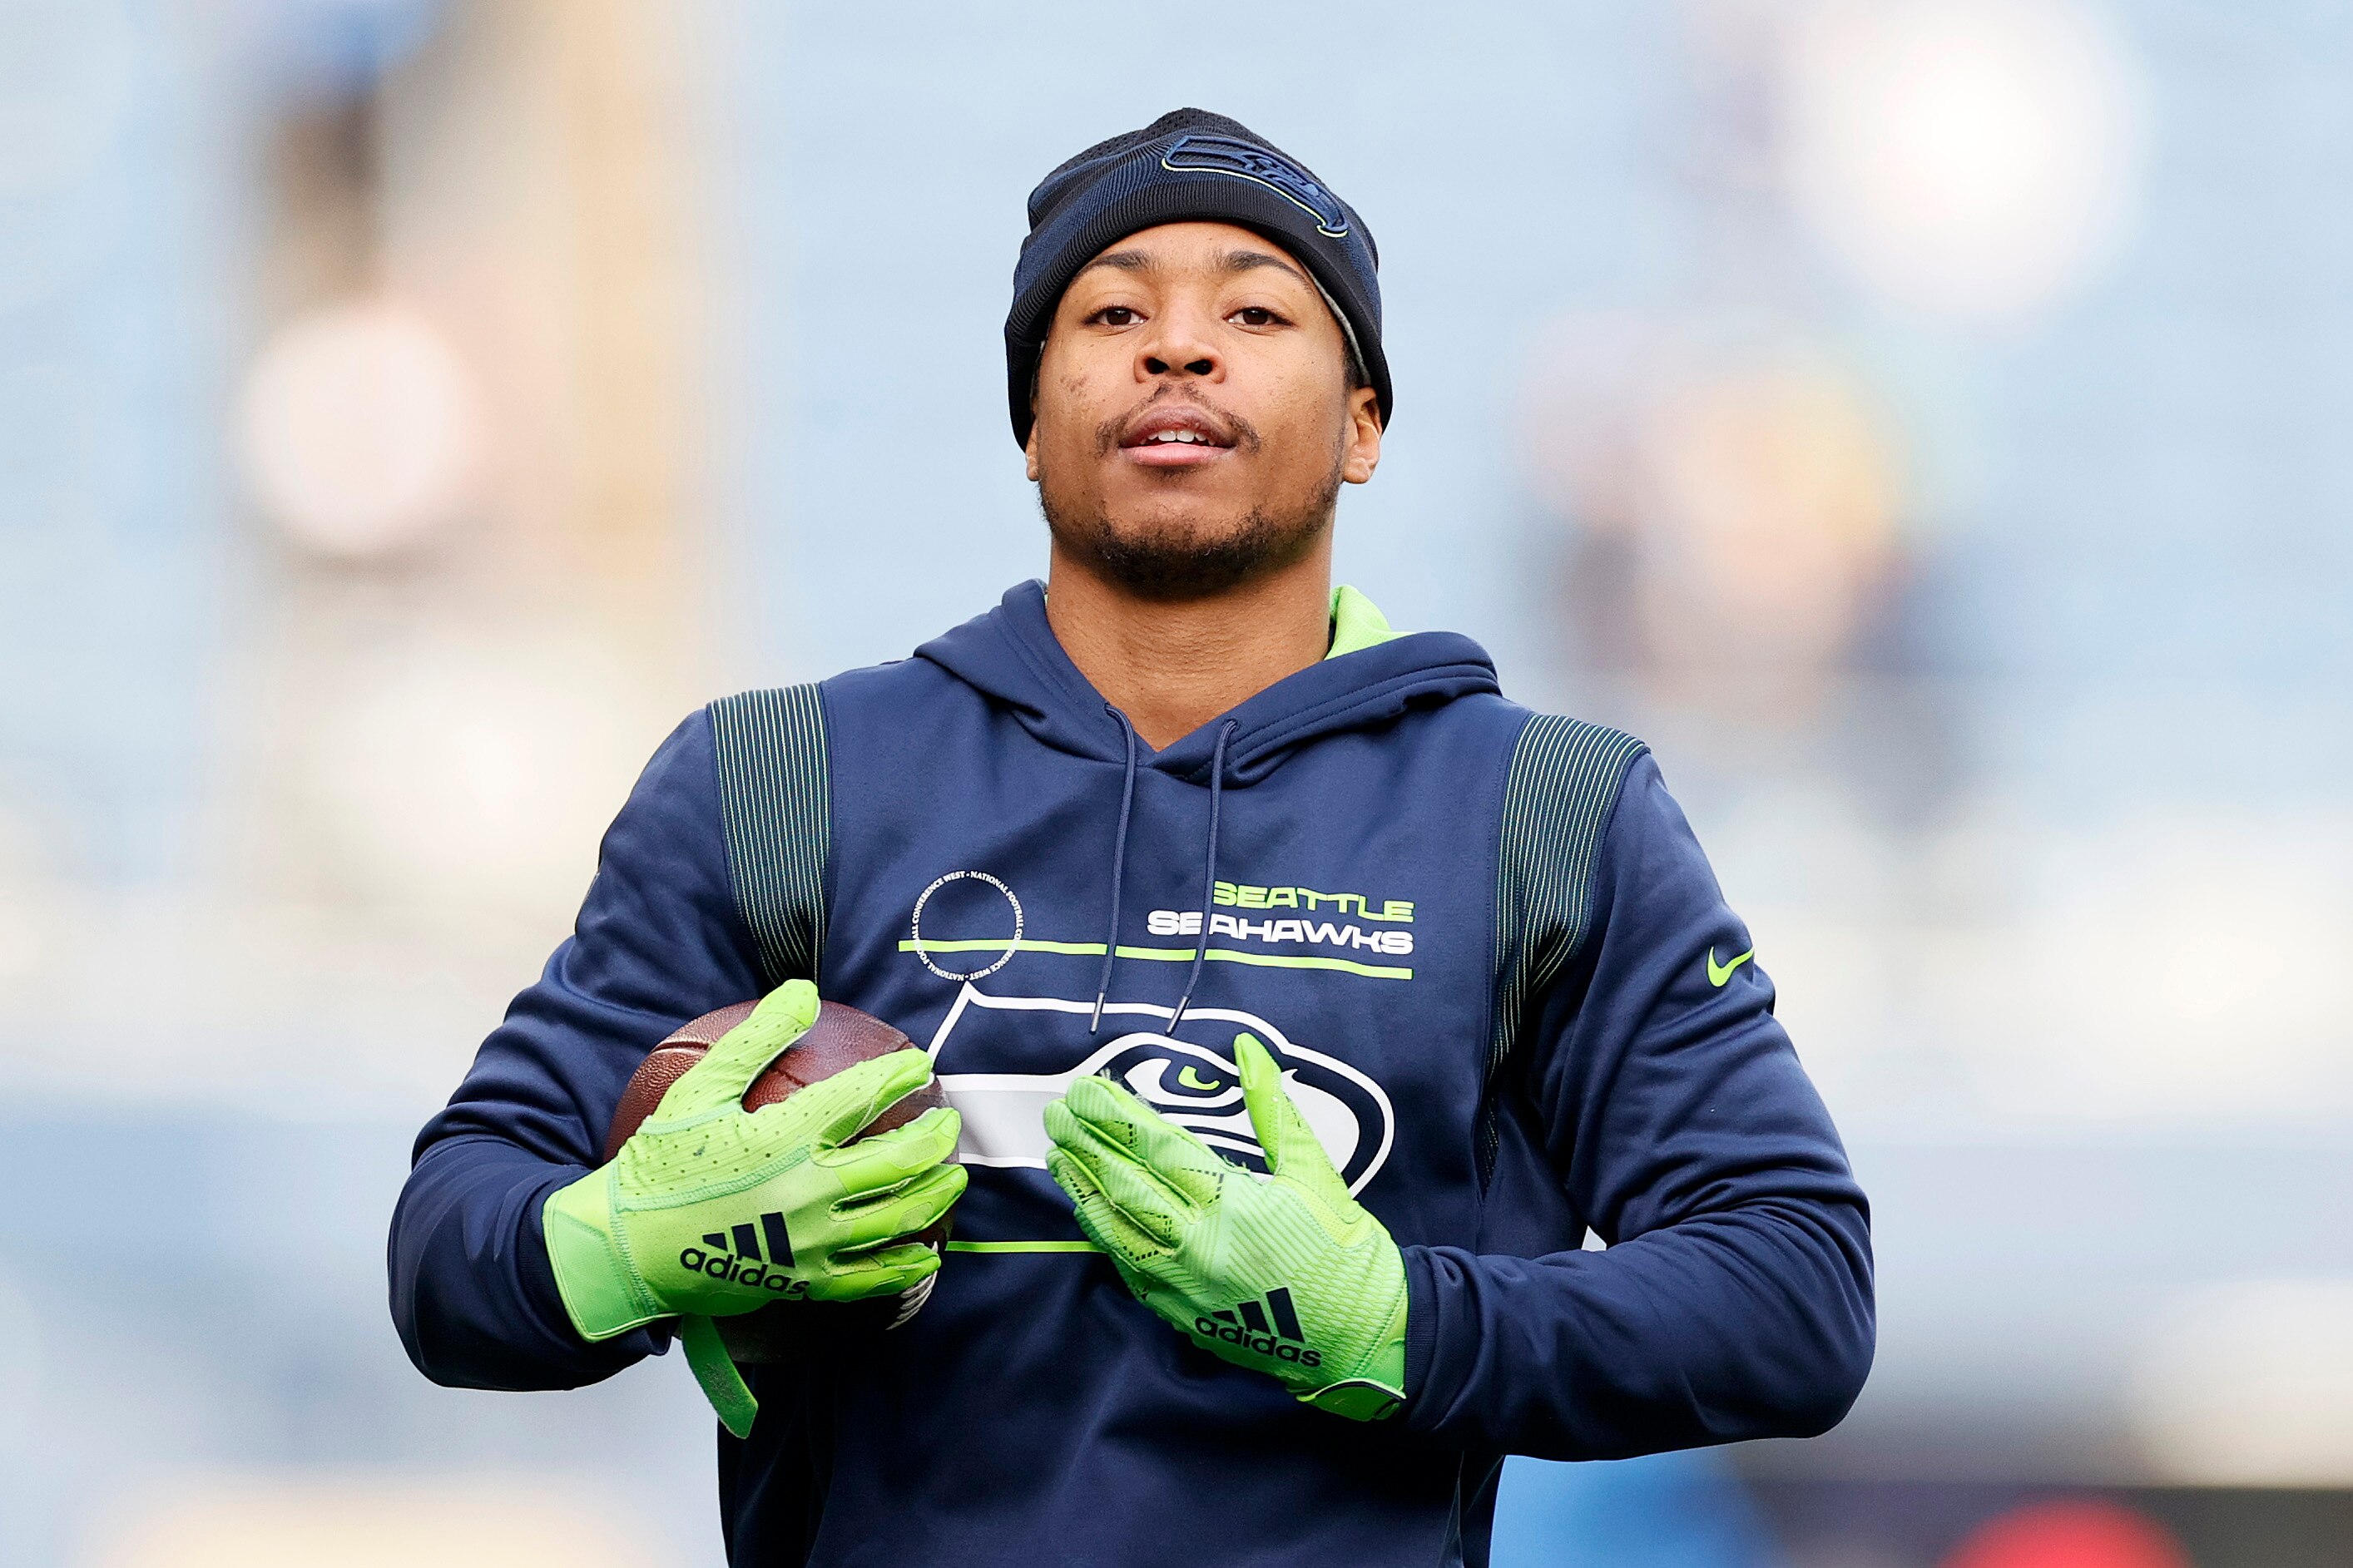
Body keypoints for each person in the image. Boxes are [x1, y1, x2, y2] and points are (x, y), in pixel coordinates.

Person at [389, 107, 1875, 1568]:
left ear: (1364, 426)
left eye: (1256, 308)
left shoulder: (1545, 814)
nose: (1179, 344)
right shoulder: (781, 779)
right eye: (1111, 311)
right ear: (1033, 425)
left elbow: (1795, 1292)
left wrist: (1395, 1320)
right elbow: (451, 1242)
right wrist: (623, 1242)